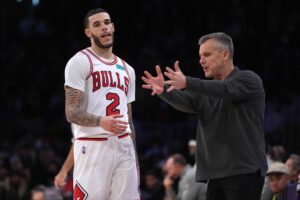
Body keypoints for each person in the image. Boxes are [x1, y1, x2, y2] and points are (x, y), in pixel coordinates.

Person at [141, 32, 267, 200]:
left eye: (207, 54)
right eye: (200, 56)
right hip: (215, 175)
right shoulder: (207, 91)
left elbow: (226, 90)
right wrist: (163, 91)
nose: (201, 60)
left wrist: (188, 82)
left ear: (225, 54)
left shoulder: (249, 79)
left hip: (244, 172)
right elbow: (186, 101)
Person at [64, 8, 139, 199]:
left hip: (124, 146)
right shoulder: (80, 62)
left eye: (107, 23)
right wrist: (100, 121)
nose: (104, 28)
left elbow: (129, 119)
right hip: (93, 145)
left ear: (113, 27)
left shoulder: (128, 69)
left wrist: (135, 159)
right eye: (97, 25)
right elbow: (71, 112)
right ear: (88, 32)